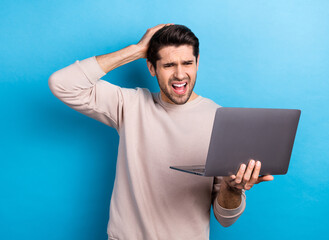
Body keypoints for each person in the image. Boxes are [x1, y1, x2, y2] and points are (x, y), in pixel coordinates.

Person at [49, 24, 274, 240]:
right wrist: (135, 51)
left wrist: (232, 188)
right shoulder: (130, 104)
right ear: (151, 68)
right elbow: (62, 83)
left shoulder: (221, 120)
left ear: (197, 64)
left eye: (187, 63)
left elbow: (225, 219)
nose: (179, 74)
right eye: (168, 65)